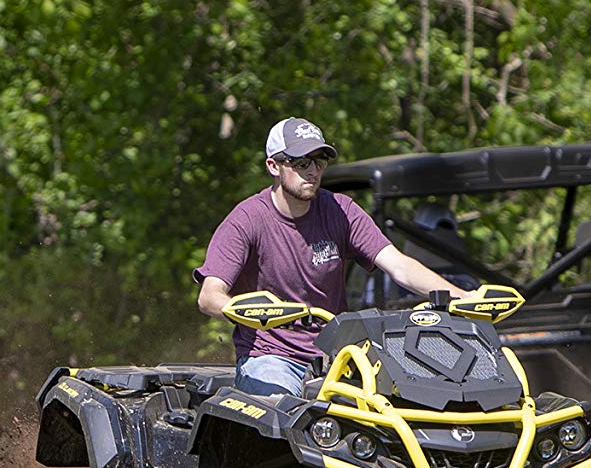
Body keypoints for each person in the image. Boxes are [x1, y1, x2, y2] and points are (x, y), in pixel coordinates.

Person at [196, 118, 464, 395]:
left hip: (339, 357)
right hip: (271, 357)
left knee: (409, 399)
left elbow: (400, 266)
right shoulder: (246, 219)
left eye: (319, 161)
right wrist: (249, 312)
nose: (313, 171)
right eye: (301, 163)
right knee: (284, 414)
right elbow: (209, 296)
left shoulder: (341, 210)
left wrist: (463, 296)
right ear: (273, 166)